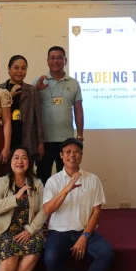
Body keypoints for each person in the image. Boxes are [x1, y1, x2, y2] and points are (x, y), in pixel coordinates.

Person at [42, 138, 112, 271]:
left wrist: (84, 236)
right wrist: (66, 190)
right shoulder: (53, 181)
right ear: (61, 155)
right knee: (50, 257)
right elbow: (48, 210)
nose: (72, 155)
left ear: (81, 155)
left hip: (84, 230)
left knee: (106, 252)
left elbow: (96, 212)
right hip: (59, 232)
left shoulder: (93, 179)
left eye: (76, 152)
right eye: (68, 152)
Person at [35, 47, 84, 183]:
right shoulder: (39, 81)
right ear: (47, 61)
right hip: (44, 140)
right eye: (52, 58)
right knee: (42, 178)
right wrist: (36, 89)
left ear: (65, 60)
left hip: (66, 140)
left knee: (66, 178)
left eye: (59, 57)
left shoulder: (73, 83)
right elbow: (28, 105)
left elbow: (78, 109)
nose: (55, 61)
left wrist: (80, 135)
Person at [0, 55, 45, 158]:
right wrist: (9, 96)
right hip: (5, 140)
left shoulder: (32, 90)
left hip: (26, 139)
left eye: (23, 68)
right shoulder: (0, 89)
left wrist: (40, 143)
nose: (20, 71)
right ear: (9, 69)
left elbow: (38, 118)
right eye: (16, 68)